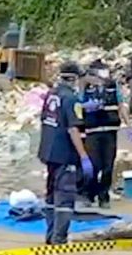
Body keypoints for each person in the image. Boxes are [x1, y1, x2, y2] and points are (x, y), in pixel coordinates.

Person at [37, 61, 92, 244]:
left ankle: (50, 235)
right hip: (64, 154)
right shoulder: (71, 99)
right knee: (65, 198)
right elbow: (73, 129)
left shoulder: (52, 94)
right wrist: (83, 156)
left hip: (48, 151)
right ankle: (59, 238)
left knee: (51, 195)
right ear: (75, 78)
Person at [79, 60, 131, 209]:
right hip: (92, 131)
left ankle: (104, 196)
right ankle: (89, 194)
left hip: (110, 130)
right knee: (94, 165)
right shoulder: (85, 86)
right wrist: (87, 107)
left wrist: (128, 126)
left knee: (108, 165)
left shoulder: (112, 86)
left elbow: (121, 105)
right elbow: (77, 104)